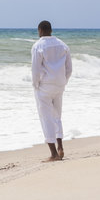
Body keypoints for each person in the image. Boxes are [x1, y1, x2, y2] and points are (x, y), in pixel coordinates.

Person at [31, 20, 72, 162]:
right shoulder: (63, 45)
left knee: (46, 118)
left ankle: (53, 154)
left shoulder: (38, 46)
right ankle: (60, 146)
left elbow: (35, 70)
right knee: (57, 116)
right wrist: (63, 81)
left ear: (40, 30)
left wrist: (36, 84)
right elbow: (69, 69)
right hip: (59, 85)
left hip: (45, 86)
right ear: (51, 30)